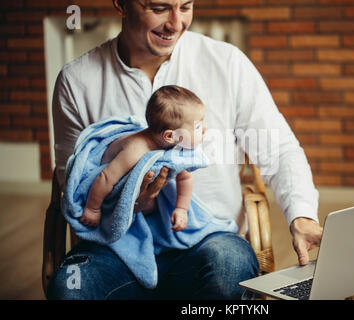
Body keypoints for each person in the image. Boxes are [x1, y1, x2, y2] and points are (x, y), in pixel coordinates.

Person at [48, 0, 323, 300]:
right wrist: (130, 201)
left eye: (186, 6)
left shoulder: (226, 63)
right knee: (70, 287)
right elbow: (74, 184)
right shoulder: (77, 81)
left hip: (208, 241)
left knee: (230, 269)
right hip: (115, 249)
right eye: (159, 7)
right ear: (122, 5)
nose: (176, 23)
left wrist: (302, 216)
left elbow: (279, 149)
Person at [80, 85, 206, 231]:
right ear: (170, 136)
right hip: (107, 178)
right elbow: (105, 178)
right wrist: (93, 209)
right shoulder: (136, 150)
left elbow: (185, 178)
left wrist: (181, 209)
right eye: (197, 127)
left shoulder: (177, 149)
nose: (205, 129)